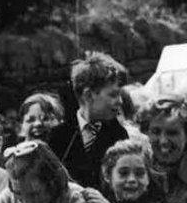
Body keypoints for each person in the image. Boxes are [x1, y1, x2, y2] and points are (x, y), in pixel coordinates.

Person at [48, 51, 129, 191]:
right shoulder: (57, 137)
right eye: (113, 95)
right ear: (88, 95)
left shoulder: (119, 136)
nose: (120, 101)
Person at [100, 139, 167, 203]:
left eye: (139, 173)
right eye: (124, 173)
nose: (132, 179)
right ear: (107, 175)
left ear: (148, 177)